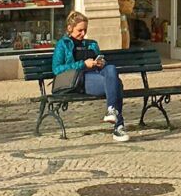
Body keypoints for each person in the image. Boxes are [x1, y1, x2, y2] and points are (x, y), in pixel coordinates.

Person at [51, 10, 129, 142]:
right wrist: (83, 64)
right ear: (70, 28)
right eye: (80, 30)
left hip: (97, 75)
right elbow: (57, 69)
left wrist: (100, 63)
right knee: (117, 84)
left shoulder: (91, 44)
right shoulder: (63, 44)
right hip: (79, 80)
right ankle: (118, 126)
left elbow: (104, 66)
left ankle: (111, 111)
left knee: (111, 68)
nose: (83, 34)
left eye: (85, 30)